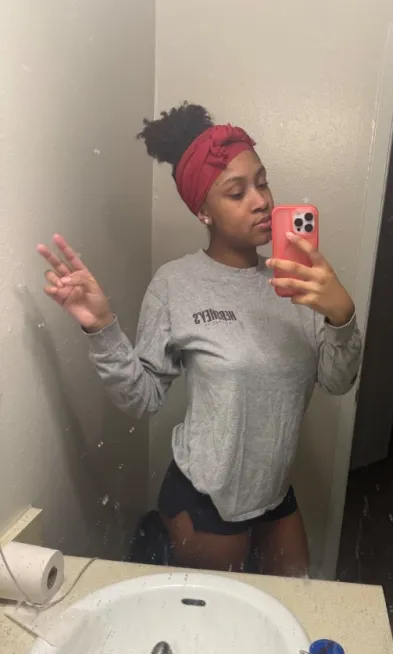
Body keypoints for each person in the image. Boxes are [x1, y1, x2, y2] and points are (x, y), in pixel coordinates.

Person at [37, 102, 362, 577]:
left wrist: (341, 315)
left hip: (273, 493)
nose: (261, 201)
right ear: (203, 211)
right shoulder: (176, 284)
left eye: (263, 182)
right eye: (237, 192)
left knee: (299, 601)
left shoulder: (301, 281)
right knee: (214, 617)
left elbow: (337, 381)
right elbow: (143, 398)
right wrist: (101, 326)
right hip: (205, 496)